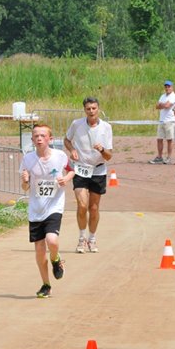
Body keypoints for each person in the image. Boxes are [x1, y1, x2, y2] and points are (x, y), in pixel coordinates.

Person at [20, 124, 74, 298]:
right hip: (36, 209)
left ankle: (56, 260)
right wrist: (26, 181)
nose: (39, 138)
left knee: (52, 240)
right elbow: (25, 187)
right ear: (32, 140)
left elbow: (72, 170)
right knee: (39, 249)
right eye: (36, 136)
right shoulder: (28, 159)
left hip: (54, 205)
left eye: (43, 135)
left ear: (50, 139)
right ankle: (46, 285)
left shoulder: (59, 156)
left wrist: (65, 179)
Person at [63, 97, 113, 254]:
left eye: (94, 108)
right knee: (82, 205)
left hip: (98, 170)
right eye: (88, 109)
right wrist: (72, 150)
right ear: (84, 110)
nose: (91, 111)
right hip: (80, 169)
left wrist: (101, 149)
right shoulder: (77, 124)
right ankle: (81, 238)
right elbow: (66, 140)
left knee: (94, 208)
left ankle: (92, 238)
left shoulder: (106, 127)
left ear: (98, 109)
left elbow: (108, 156)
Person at [149, 80, 175, 165]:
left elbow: (167, 106)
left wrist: (162, 104)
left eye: (168, 86)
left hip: (170, 120)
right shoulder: (163, 96)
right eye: (166, 86)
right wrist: (162, 105)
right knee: (159, 139)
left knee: (169, 140)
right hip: (161, 120)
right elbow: (157, 106)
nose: (167, 88)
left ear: (172, 87)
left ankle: (169, 157)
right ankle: (159, 156)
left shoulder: (173, 96)